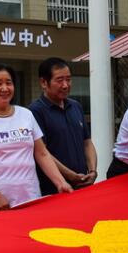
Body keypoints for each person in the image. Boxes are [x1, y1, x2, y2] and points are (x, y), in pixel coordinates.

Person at [0, 63, 72, 210]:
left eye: (9, 83)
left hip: (31, 198)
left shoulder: (26, 114)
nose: (5, 88)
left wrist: (60, 182)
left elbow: (42, 154)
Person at [29, 57, 96, 194]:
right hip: (53, 188)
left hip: (82, 184)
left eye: (68, 79)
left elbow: (87, 142)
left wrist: (93, 171)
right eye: (59, 80)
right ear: (43, 82)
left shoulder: (75, 106)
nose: (65, 85)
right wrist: (70, 175)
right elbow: (42, 152)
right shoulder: (35, 111)